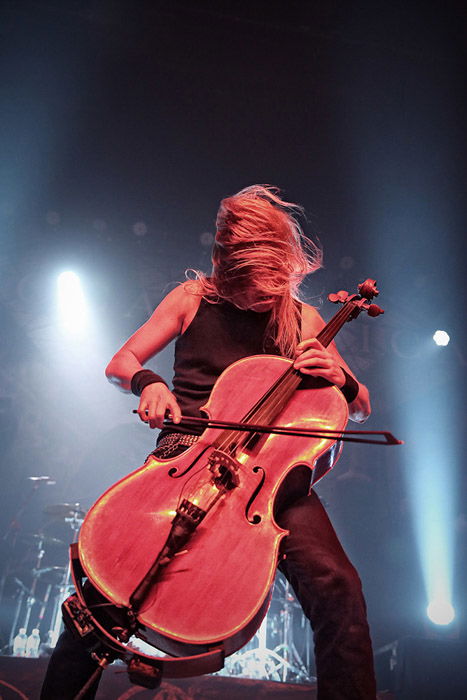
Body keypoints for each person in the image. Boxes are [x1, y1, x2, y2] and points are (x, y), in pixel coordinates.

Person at [41, 185, 376, 699]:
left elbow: (360, 405)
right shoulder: (191, 299)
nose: (259, 299)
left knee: (341, 588)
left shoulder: (305, 319)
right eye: (248, 287)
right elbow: (120, 363)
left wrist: (342, 378)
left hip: (271, 477)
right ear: (224, 264)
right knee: (106, 590)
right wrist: (149, 383)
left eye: (269, 286)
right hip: (188, 453)